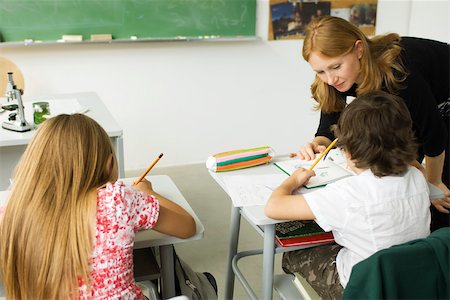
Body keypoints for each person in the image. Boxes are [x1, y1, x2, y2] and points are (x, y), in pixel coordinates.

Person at [0, 114, 196, 299]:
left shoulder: (12, 212)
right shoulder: (118, 201)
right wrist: (148, 193)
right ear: (109, 163)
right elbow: (188, 226)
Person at [265, 91, 431, 299]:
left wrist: (293, 181)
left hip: (362, 289)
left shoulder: (347, 194)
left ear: (348, 152)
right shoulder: (417, 177)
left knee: (296, 253)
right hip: (412, 280)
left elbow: (273, 207)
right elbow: (414, 167)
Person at [294, 15, 449, 231]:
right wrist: (318, 143)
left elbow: (435, 135)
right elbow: (329, 124)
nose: (330, 79)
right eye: (320, 71)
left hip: (441, 100)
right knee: (405, 178)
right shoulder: (337, 77)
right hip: (419, 106)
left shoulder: (398, 73)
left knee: (440, 200)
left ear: (359, 50)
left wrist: (434, 184)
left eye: (336, 67)